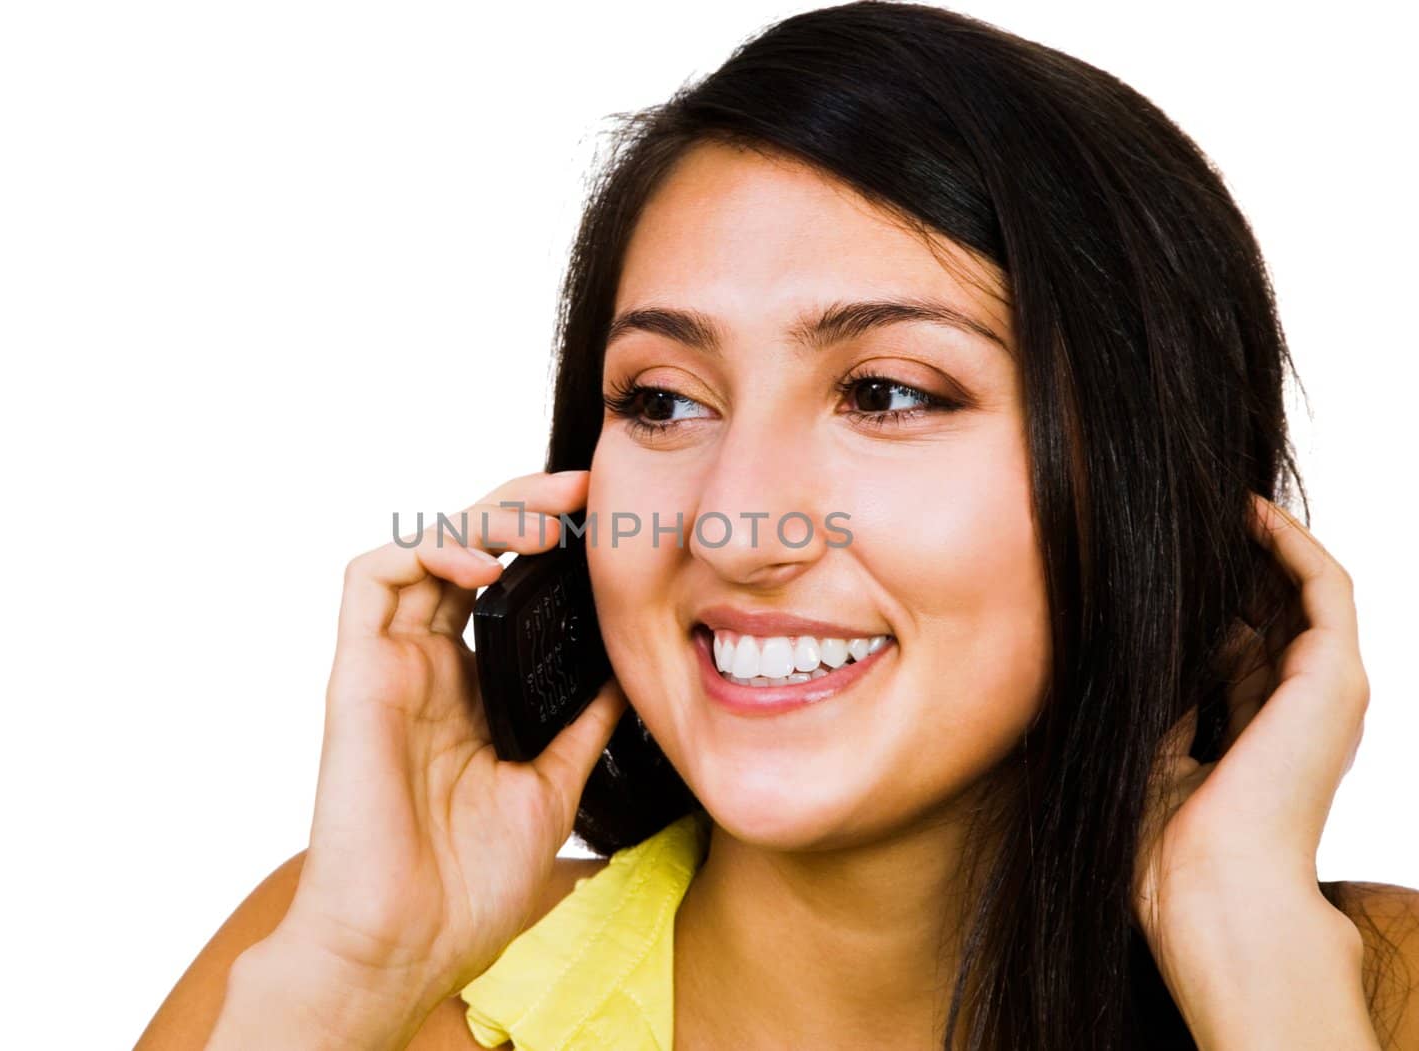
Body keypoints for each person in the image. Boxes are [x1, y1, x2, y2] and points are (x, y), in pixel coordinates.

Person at [136, 3, 1419, 1048]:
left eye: (886, 393)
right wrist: (344, 985)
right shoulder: (341, 970)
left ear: (1156, 482)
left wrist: (1257, 973)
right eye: (663, 401)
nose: (735, 528)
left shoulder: (1367, 998)